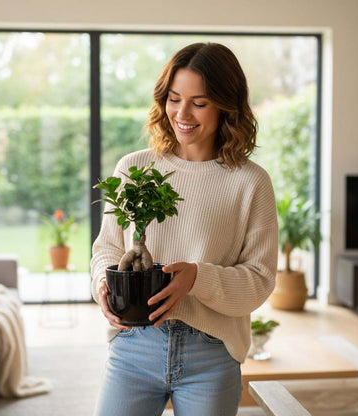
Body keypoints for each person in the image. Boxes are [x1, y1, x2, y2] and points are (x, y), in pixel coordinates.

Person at [91, 42, 278, 416]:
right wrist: (102, 286)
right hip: (134, 344)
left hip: (210, 352)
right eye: (174, 99)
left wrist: (197, 278)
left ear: (227, 105)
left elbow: (259, 280)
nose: (182, 113)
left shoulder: (251, 182)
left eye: (200, 102)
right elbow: (108, 249)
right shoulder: (133, 169)